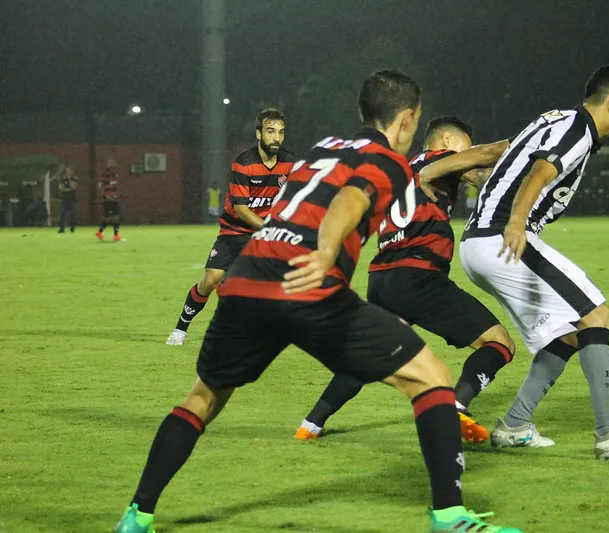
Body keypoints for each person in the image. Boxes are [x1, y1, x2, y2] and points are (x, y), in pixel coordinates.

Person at [115, 70, 521, 533]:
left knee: (203, 398)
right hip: (310, 282)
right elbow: (352, 197)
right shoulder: (388, 160)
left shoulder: (323, 148)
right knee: (432, 378)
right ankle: (449, 516)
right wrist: (327, 247)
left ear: (362, 113)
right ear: (408, 120)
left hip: (249, 277)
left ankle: (137, 514)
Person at [457, 64, 609, 459]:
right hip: (502, 238)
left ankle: (515, 426)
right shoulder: (578, 128)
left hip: (479, 243)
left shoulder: (556, 119)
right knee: (597, 315)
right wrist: (518, 222)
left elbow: (516, 161)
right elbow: (541, 170)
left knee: (568, 333)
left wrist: (484, 177)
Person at [294, 117, 523, 445]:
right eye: (464, 145)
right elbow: (481, 156)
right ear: (446, 140)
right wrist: (530, 141)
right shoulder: (434, 162)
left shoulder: (401, 169)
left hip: (384, 279)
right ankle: (456, 405)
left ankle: (311, 423)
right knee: (499, 343)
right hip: (418, 278)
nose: (467, 153)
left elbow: (479, 173)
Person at [165, 108, 295, 346]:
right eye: (270, 131)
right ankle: (181, 328)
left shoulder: (290, 163)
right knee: (211, 280)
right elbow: (241, 210)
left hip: (264, 235)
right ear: (258, 134)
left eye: (281, 132)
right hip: (234, 231)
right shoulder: (244, 163)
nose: (276, 137)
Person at [96, 159, 121, 241]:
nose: (112, 165)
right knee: (109, 218)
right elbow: (100, 187)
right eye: (110, 164)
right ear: (107, 165)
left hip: (114, 199)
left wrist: (116, 195)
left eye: (113, 163)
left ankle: (116, 235)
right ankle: (99, 232)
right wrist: (106, 196)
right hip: (107, 200)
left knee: (116, 217)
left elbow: (115, 187)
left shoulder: (115, 175)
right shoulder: (104, 175)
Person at [54, 165, 79, 233]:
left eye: (70, 171)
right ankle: (62, 228)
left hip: (72, 199)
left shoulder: (75, 179)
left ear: (73, 172)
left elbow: (73, 187)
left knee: (73, 214)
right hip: (64, 199)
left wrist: (69, 180)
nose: (69, 172)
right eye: (67, 171)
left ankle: (72, 227)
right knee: (62, 214)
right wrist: (68, 189)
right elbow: (60, 188)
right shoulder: (62, 179)